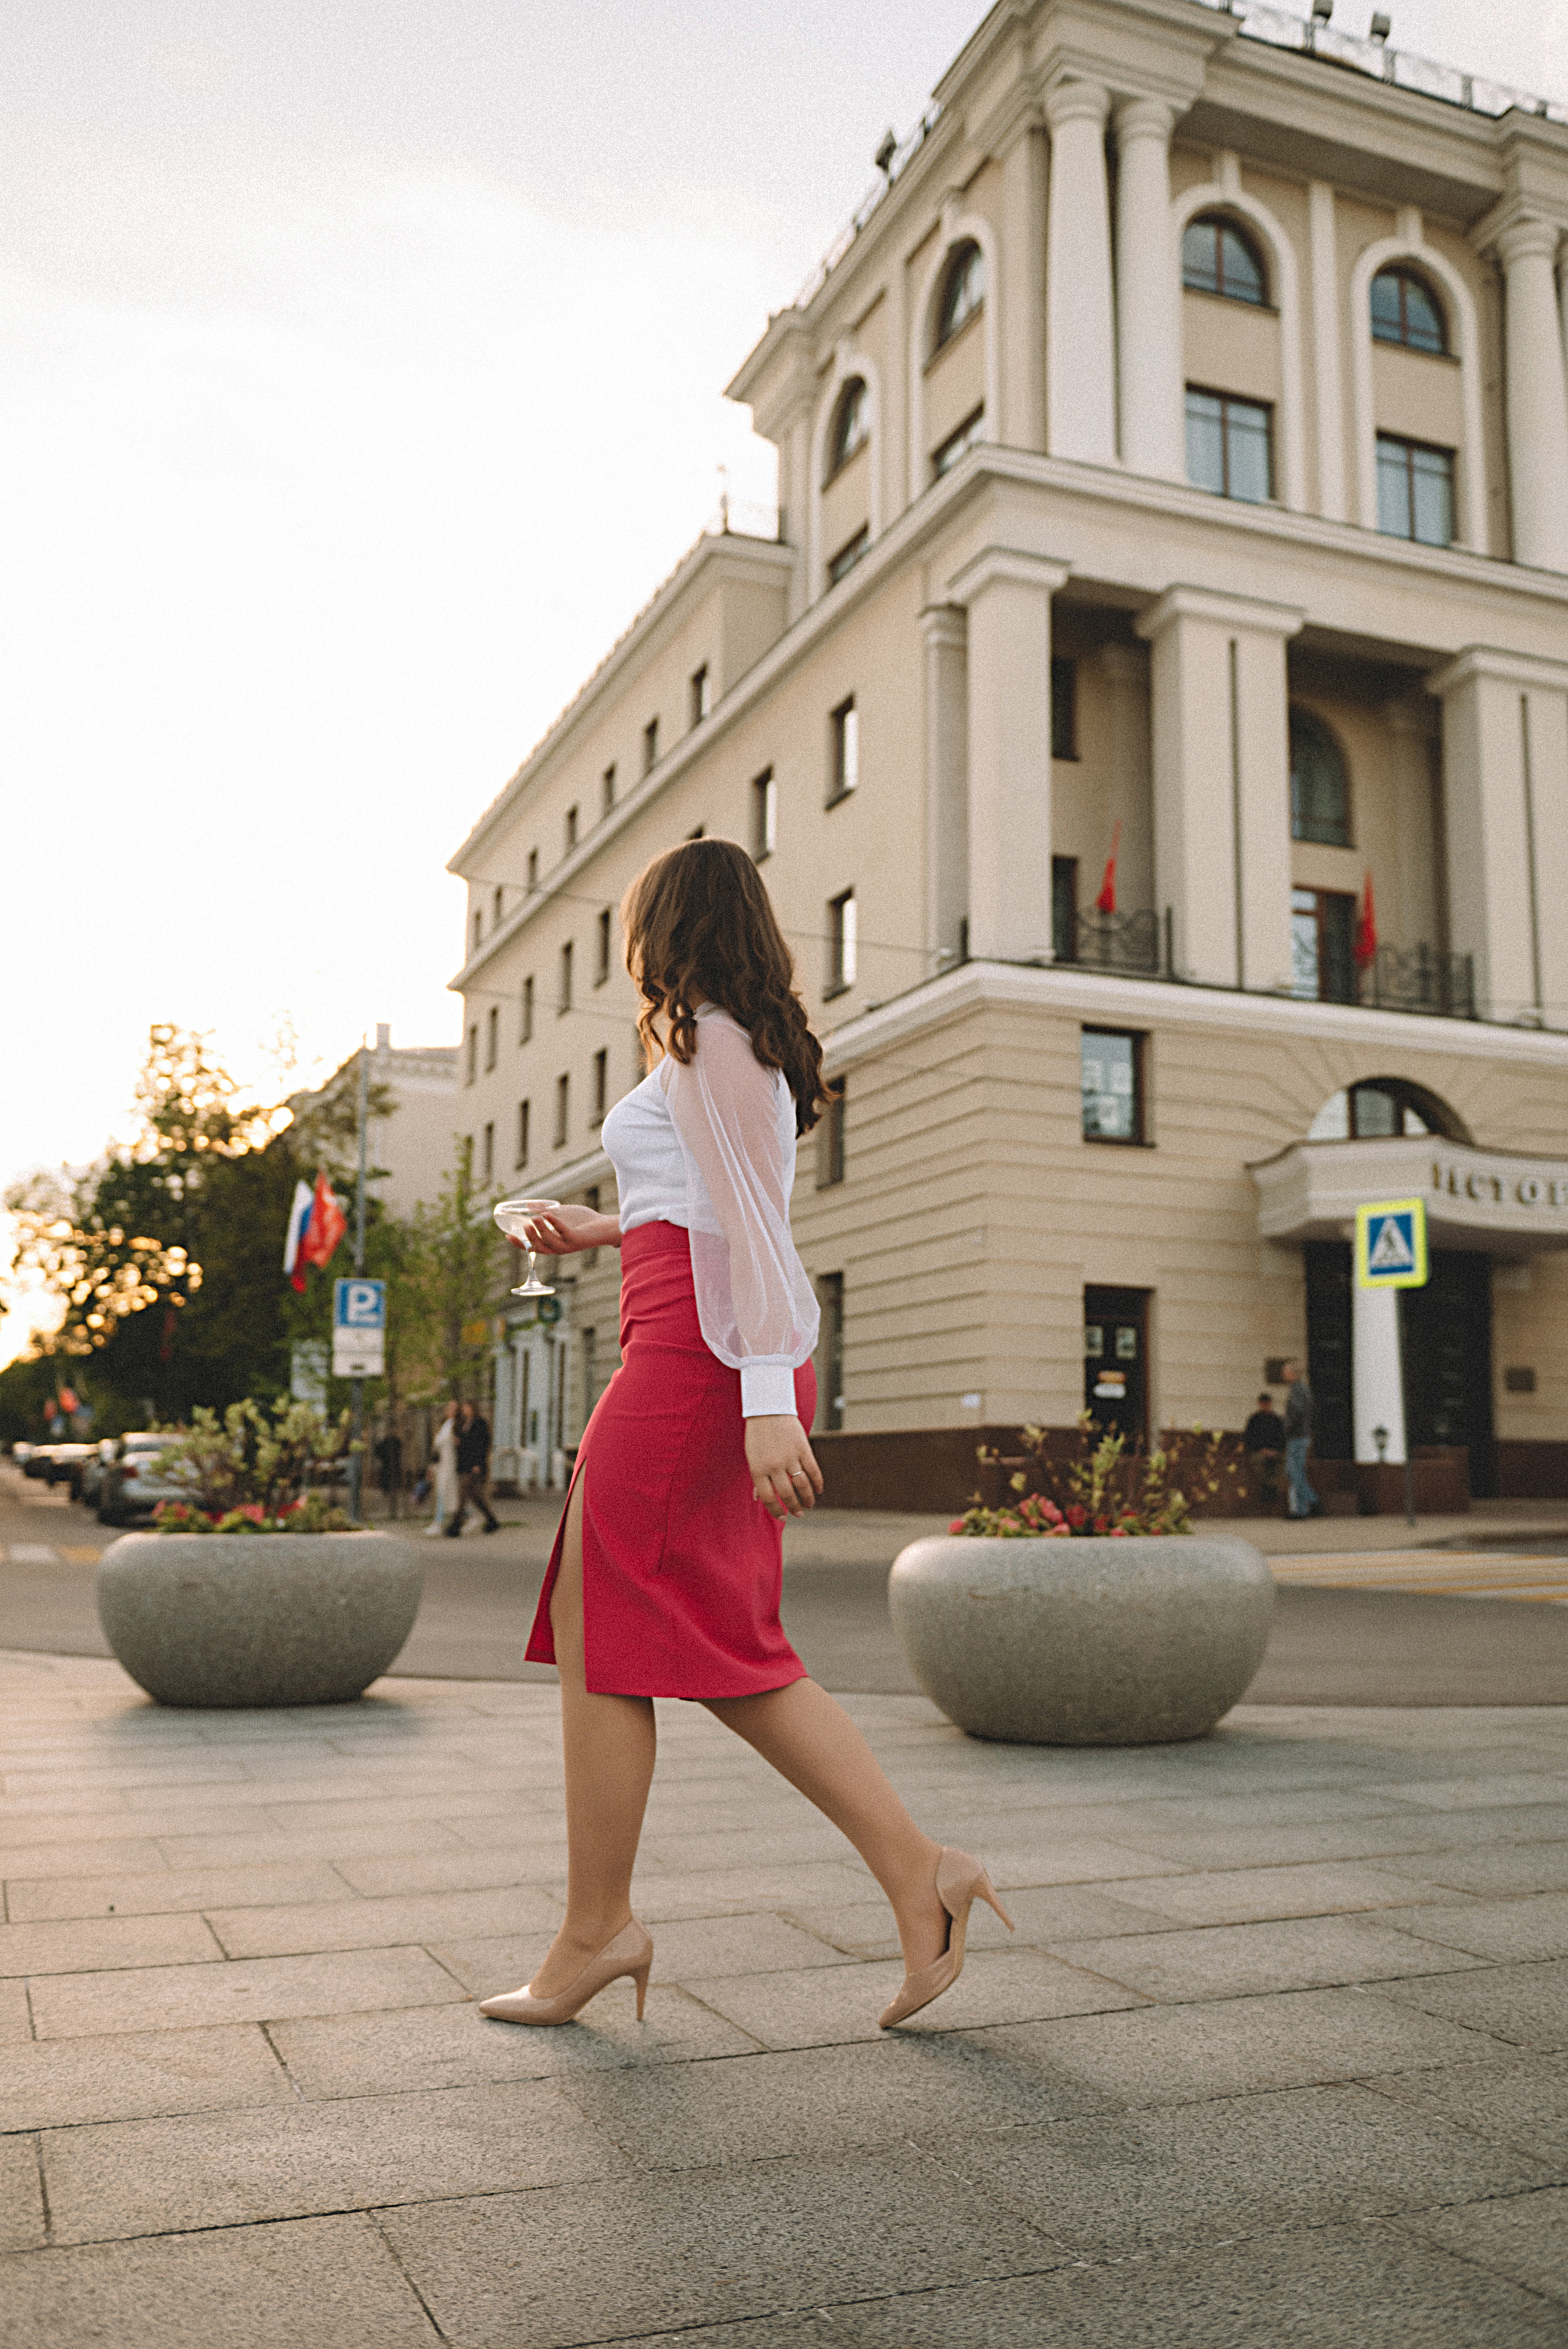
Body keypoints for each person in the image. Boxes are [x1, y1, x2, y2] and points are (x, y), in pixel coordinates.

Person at [478, 838, 1010, 2032]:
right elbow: (704, 1207)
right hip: (690, 1341)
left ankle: (601, 1929)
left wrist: (765, 1392)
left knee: (662, 1635)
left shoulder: (707, 1036)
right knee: (622, 1626)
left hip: (701, 1362)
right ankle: (897, 1879)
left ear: (662, 930)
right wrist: (600, 1232)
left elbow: (758, 1229)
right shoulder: (725, 1042)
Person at [447, 1400, 500, 1536]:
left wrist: (478, 1463)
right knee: (475, 1495)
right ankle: (491, 1519)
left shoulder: (479, 1423)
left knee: (463, 1493)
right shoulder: (465, 1423)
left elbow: (481, 1444)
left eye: (466, 1407)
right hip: (464, 1463)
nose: (464, 1410)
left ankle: (456, 1524)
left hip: (474, 1464)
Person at [1281, 1359, 1321, 1519]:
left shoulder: (1297, 1390)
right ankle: (1301, 1511)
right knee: (1295, 1472)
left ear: (1292, 1374)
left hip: (1297, 1436)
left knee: (1295, 1472)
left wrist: (1287, 1426)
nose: (1284, 1375)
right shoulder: (1303, 1390)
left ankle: (1313, 1501)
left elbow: (1296, 1412)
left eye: (1286, 1371)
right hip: (1302, 1435)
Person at [1242, 1390, 1286, 1513]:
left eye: (1267, 1404)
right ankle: (1269, 1486)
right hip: (1259, 1451)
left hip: (1275, 1452)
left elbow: (1282, 1439)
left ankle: (1271, 1487)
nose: (1265, 1406)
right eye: (1263, 1404)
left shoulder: (1277, 1420)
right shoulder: (1254, 1420)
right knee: (1257, 1461)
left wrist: (1275, 1451)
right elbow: (1249, 1439)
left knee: (1283, 1463)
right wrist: (1263, 1450)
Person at [430, 1400, 460, 1535]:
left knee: (447, 1491)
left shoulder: (457, 1426)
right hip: (442, 1462)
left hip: (451, 1463)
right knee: (444, 1491)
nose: (448, 1410)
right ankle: (440, 1520)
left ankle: (439, 1521)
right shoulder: (445, 1425)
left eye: (452, 1408)